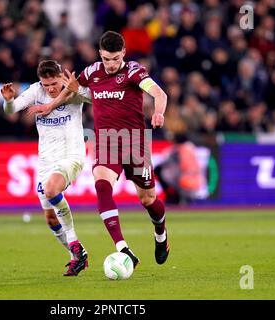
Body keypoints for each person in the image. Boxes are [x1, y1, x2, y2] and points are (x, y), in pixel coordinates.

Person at [28, 31, 170, 269]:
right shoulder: (92, 72)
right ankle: (123, 248)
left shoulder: (133, 71)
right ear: (100, 55)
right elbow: (72, 89)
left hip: (135, 142)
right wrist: (50, 105)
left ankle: (161, 234)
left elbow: (159, 93)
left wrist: (159, 112)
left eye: (115, 58)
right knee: (102, 187)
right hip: (106, 142)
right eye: (106, 59)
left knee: (148, 200)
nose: (111, 64)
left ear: (123, 53)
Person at [0, 60, 91, 276]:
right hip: (46, 162)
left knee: (51, 190)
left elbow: (94, 99)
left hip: (72, 155)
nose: (50, 89)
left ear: (61, 76)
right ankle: (77, 256)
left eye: (53, 83)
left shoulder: (72, 88)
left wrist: (78, 89)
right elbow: (11, 111)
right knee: (51, 219)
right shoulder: (36, 91)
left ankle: (74, 243)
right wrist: (9, 101)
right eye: (46, 84)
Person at [155, 132, 204, 205]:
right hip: (198, 181)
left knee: (160, 171)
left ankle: (173, 197)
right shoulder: (191, 148)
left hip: (184, 181)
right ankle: (179, 197)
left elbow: (164, 162)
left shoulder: (178, 149)